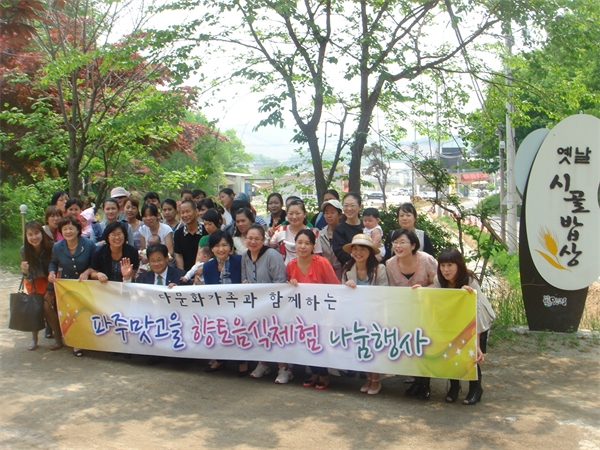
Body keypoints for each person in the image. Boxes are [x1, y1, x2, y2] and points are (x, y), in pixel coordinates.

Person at [434, 248, 495, 405]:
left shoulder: (470, 281)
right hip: (453, 322)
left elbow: (477, 311)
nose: (446, 270)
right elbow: (436, 302)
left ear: (459, 265)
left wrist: (476, 343)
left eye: (450, 265)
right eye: (442, 265)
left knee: (471, 354)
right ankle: (454, 387)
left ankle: (475, 389)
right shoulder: (438, 280)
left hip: (477, 321)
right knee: (452, 353)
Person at [385, 228, 437, 398]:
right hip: (405, 311)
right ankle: (416, 382)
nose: (397, 246)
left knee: (425, 346)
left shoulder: (426, 259)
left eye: (402, 242)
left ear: (413, 245)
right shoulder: (390, 264)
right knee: (411, 346)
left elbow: (439, 283)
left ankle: (425, 384)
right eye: (395, 242)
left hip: (427, 309)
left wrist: (423, 290)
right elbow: (392, 289)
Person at [287, 229, 339, 390]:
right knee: (306, 342)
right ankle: (314, 372)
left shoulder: (322, 262)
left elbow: (335, 286)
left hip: (322, 313)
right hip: (301, 314)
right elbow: (287, 291)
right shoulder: (290, 265)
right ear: (295, 244)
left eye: (307, 243)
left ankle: (324, 375)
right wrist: (290, 285)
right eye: (299, 243)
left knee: (320, 344)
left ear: (313, 246)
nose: (303, 247)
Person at [241, 225, 290, 383]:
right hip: (255, 304)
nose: (253, 242)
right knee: (258, 333)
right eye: (250, 238)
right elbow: (244, 277)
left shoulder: (272, 255)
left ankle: (284, 368)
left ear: (264, 240)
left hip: (274, 303)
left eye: (257, 239)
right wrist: (245, 283)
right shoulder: (245, 256)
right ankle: (264, 363)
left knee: (276, 333)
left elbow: (279, 281)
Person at [341, 234, 388, 394]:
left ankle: (376, 380)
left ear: (370, 251)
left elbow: (384, 292)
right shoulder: (347, 269)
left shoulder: (380, 269)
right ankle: (368, 377)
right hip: (356, 315)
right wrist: (347, 287)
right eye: (355, 249)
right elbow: (342, 293)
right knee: (361, 346)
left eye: (362, 249)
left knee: (374, 347)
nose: (358, 252)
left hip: (375, 315)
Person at [48, 216, 96, 357]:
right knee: (73, 315)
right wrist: (51, 272)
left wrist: (87, 272)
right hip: (67, 286)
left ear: (78, 229)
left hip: (86, 285)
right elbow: (53, 262)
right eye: (65, 229)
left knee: (86, 313)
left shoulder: (89, 244)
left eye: (71, 228)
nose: (68, 232)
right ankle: (76, 344)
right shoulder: (58, 246)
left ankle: (92, 341)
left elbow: (95, 263)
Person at [202, 230, 246, 375]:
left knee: (239, 328)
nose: (221, 249)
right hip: (218, 306)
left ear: (230, 247)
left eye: (224, 245)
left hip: (239, 305)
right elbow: (209, 290)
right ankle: (221, 359)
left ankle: (242, 361)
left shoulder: (240, 261)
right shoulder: (207, 267)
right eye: (216, 246)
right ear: (211, 249)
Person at [20, 221, 59, 351]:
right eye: (30, 234)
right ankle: (34, 338)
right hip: (34, 282)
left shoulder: (52, 246)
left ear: (42, 233)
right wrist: (25, 272)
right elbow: (28, 277)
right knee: (34, 306)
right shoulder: (24, 250)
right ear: (26, 236)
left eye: (36, 233)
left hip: (50, 280)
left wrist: (49, 290)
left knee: (47, 307)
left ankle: (58, 338)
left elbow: (55, 269)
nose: (34, 237)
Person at [269, 199, 323, 265]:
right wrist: (270, 235)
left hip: (308, 270)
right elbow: (269, 247)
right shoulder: (280, 231)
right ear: (286, 214)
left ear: (304, 214)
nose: (294, 217)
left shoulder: (314, 233)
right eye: (291, 213)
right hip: (285, 270)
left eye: (298, 213)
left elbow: (317, 257)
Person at [331, 192, 364, 267]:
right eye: (346, 205)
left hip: (369, 268)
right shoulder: (339, 230)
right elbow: (341, 255)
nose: (349, 209)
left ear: (360, 207)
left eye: (352, 205)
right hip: (349, 269)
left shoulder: (368, 226)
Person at [317, 199, 343, 281]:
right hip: (324, 274)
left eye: (332, 212)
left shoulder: (345, 233)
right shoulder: (320, 234)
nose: (329, 216)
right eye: (326, 213)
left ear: (340, 215)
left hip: (343, 274)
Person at [173, 200, 203, 272]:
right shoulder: (178, 234)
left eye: (188, 211)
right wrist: (182, 273)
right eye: (182, 213)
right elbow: (178, 255)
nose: (185, 215)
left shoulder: (206, 231)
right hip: (185, 274)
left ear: (196, 212)